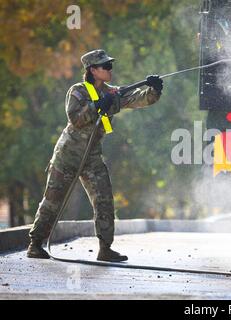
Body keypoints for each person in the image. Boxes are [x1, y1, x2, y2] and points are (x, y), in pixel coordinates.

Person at [27, 49, 163, 262]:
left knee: (104, 199)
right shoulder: (78, 91)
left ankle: (105, 248)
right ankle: (35, 244)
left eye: (110, 65)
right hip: (68, 156)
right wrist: (98, 105)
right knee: (52, 201)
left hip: (91, 157)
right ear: (92, 70)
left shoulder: (112, 93)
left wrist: (153, 89)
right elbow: (76, 119)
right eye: (105, 66)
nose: (110, 69)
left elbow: (138, 99)